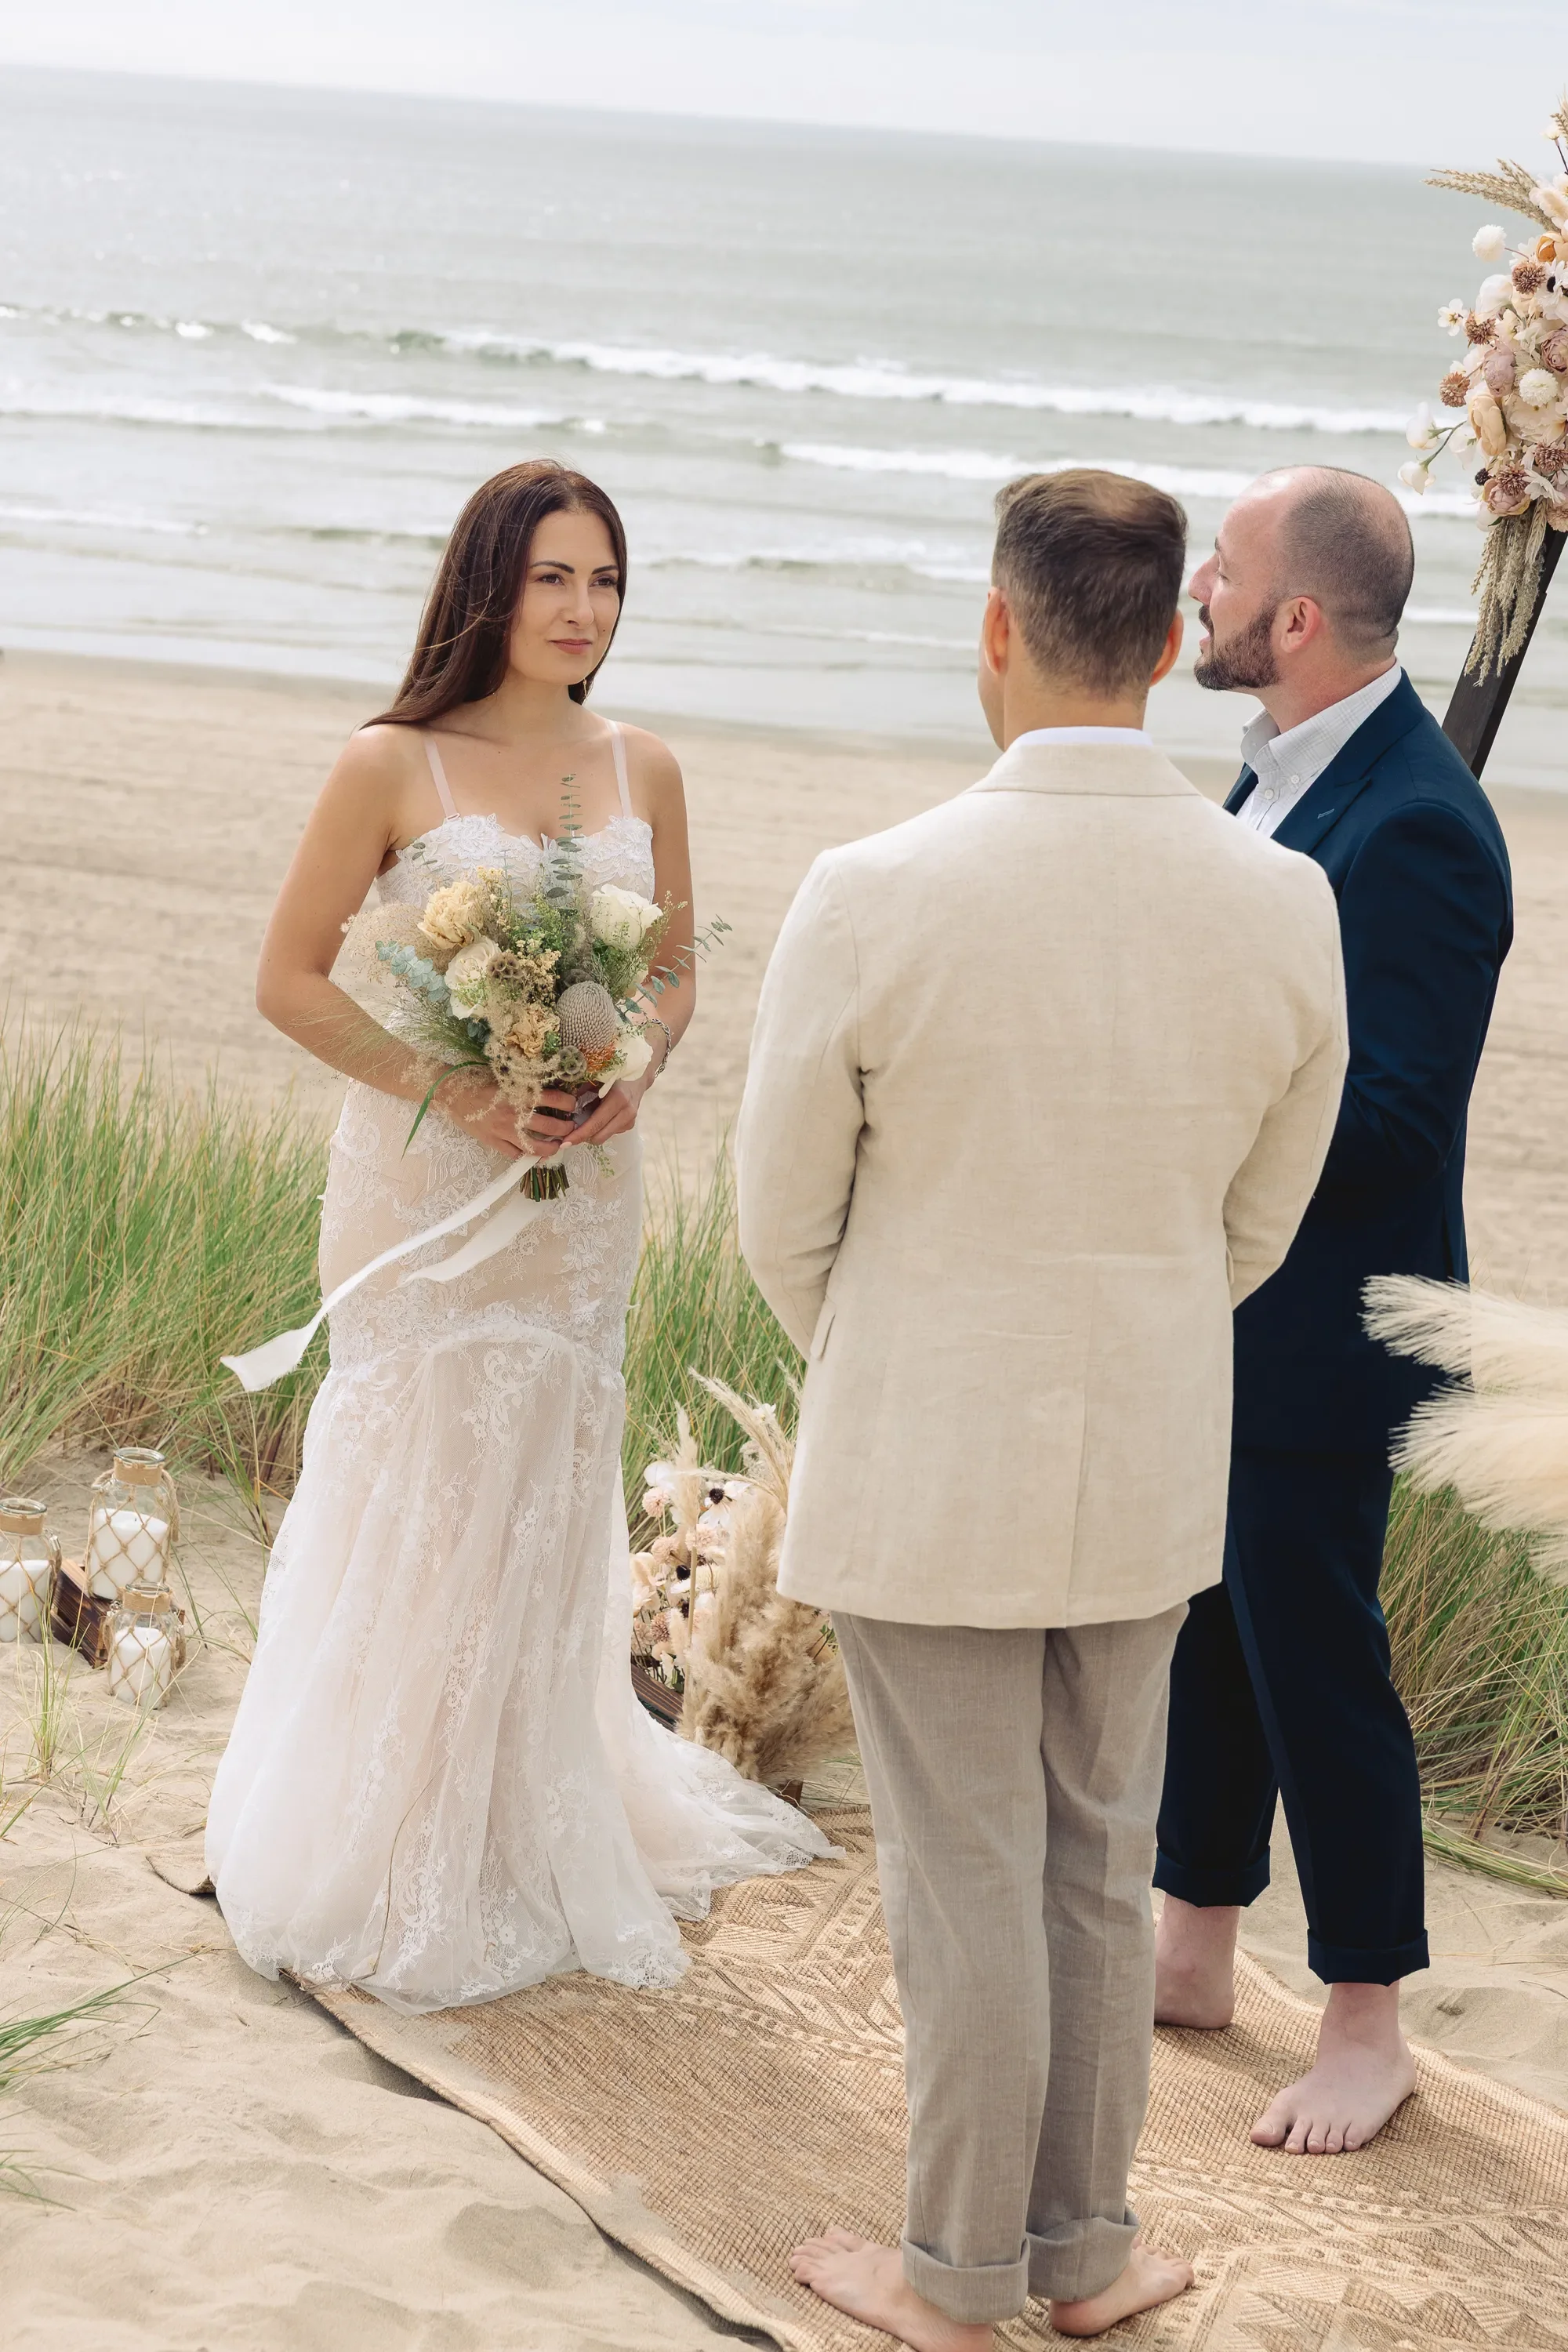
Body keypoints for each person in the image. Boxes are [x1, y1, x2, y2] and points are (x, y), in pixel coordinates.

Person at [736, 469, 1348, 2350]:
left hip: (931, 1457)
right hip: (1150, 1452)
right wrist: (1122, 1336)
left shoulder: (872, 890)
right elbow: (1265, 1213)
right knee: (1098, 1864)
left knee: (966, 1885)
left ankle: (955, 2280)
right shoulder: (1286, 896)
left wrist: (916, 1345)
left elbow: (783, 1219)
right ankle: (1081, 2248)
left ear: (995, 632)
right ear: (1171, 647)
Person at [206, 460, 829, 2014]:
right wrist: (453, 1090)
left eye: (606, 582)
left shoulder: (644, 765)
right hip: (427, 1184)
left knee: (547, 1466)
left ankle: (517, 1811)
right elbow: (289, 980)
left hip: (582, 1193)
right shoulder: (391, 762)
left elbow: (676, 973)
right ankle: (378, 1822)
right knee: (414, 1465)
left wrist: (632, 1067)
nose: (583, 610)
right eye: (555, 577)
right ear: (491, 582)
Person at [1153, 466, 1515, 2155]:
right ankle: (1195, 1943)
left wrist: (1173, 1090)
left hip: (1327, 1310)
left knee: (1314, 1650)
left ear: (1293, 618)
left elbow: (1390, 1110)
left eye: (1218, 572)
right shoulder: (1276, 773)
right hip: (1233, 1290)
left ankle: (1368, 2016)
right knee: (1215, 1624)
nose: (1196, 597)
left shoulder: (1421, 821)